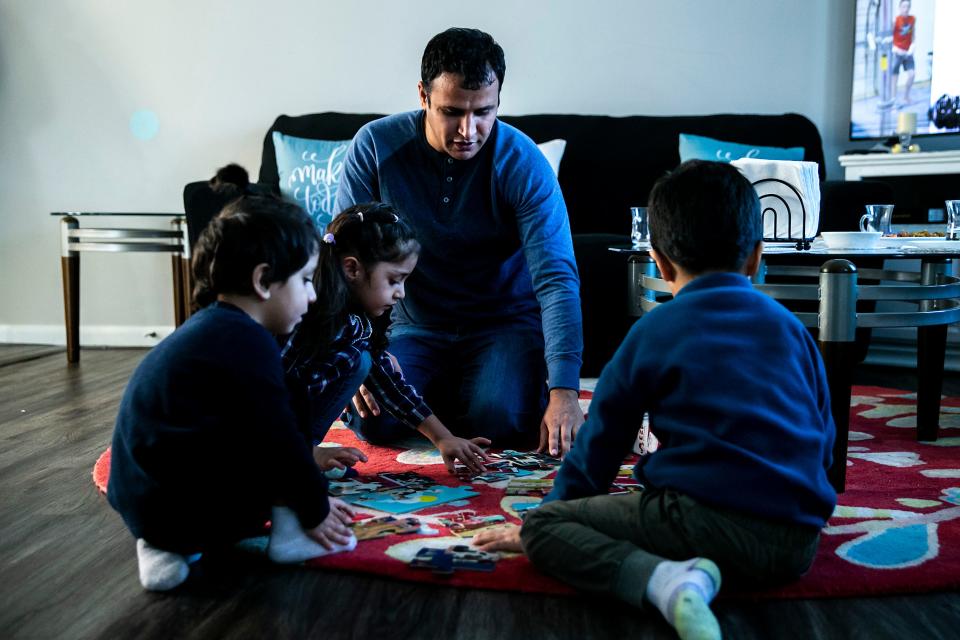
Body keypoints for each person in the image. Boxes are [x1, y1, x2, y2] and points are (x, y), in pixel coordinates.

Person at [474, 161, 837, 640]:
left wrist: (550, 520)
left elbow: (598, 449)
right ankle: (700, 570)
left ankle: (666, 582)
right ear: (756, 257)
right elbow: (825, 441)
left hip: (701, 521)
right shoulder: (794, 330)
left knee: (544, 530)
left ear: (660, 263)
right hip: (797, 545)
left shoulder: (653, 331)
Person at [335, 27, 584, 457]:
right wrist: (356, 354)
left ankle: (489, 390)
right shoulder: (374, 147)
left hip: (502, 325)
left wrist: (564, 391)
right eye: (452, 111)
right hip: (413, 325)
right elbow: (345, 262)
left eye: (484, 112)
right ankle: (452, 394)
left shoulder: (523, 163)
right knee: (373, 417)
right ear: (423, 96)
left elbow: (556, 278)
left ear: (499, 100)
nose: (468, 130)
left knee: (500, 421)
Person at [108, 196, 357, 592]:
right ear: (262, 281)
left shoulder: (209, 329)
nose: (312, 296)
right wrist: (315, 508)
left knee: (270, 407)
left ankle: (164, 546)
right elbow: (280, 444)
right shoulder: (249, 344)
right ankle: (291, 532)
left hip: (145, 510)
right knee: (287, 407)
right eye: (306, 281)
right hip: (200, 512)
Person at [283, 202, 492, 475]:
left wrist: (443, 437)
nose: (401, 293)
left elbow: (390, 385)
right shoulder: (301, 313)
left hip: (282, 427)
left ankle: (299, 451)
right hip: (255, 425)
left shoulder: (357, 323)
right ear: (352, 269)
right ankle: (294, 455)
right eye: (394, 280)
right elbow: (264, 392)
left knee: (364, 361)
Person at [891, 0, 916, 108]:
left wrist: (913, 46)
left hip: (907, 52)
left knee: (912, 74)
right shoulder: (896, 20)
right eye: (903, 6)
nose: (906, 9)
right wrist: (894, 48)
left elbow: (913, 33)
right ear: (900, 7)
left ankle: (906, 96)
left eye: (907, 7)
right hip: (898, 51)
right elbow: (891, 34)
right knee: (895, 75)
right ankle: (893, 98)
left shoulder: (912, 19)